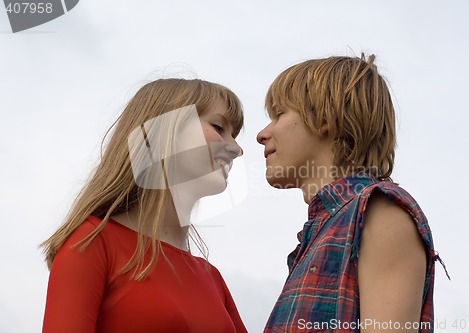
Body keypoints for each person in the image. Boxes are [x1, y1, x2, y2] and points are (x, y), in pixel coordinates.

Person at [257, 54, 447, 332]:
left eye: (279, 114)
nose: (262, 134)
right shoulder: (322, 231)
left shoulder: (380, 212)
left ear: (325, 118)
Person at [41, 78, 248, 333]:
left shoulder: (213, 278)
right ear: (161, 132)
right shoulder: (91, 242)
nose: (237, 149)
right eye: (218, 127)